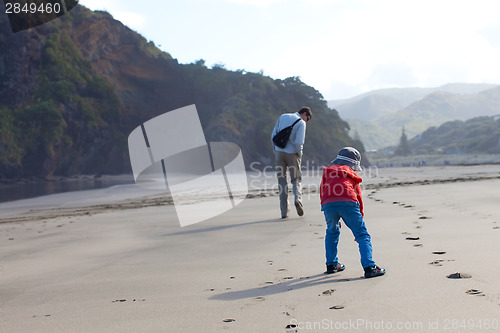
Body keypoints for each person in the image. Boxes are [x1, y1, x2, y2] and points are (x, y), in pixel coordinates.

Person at [319, 147, 386, 278]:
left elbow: (322, 190)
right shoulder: (351, 174)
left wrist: (327, 210)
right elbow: (358, 197)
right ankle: (369, 267)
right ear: (353, 165)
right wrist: (360, 216)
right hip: (348, 201)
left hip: (328, 203)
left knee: (331, 232)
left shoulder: (327, 172)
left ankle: (331, 264)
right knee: (362, 235)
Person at [271, 106, 312, 219]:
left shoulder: (283, 116)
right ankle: (297, 200)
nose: (306, 121)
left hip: (279, 152)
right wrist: (300, 155)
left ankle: (284, 212)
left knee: (281, 181)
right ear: (304, 114)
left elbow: (273, 135)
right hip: (293, 153)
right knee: (296, 179)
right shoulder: (301, 123)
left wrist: (275, 150)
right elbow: (299, 143)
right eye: (307, 119)